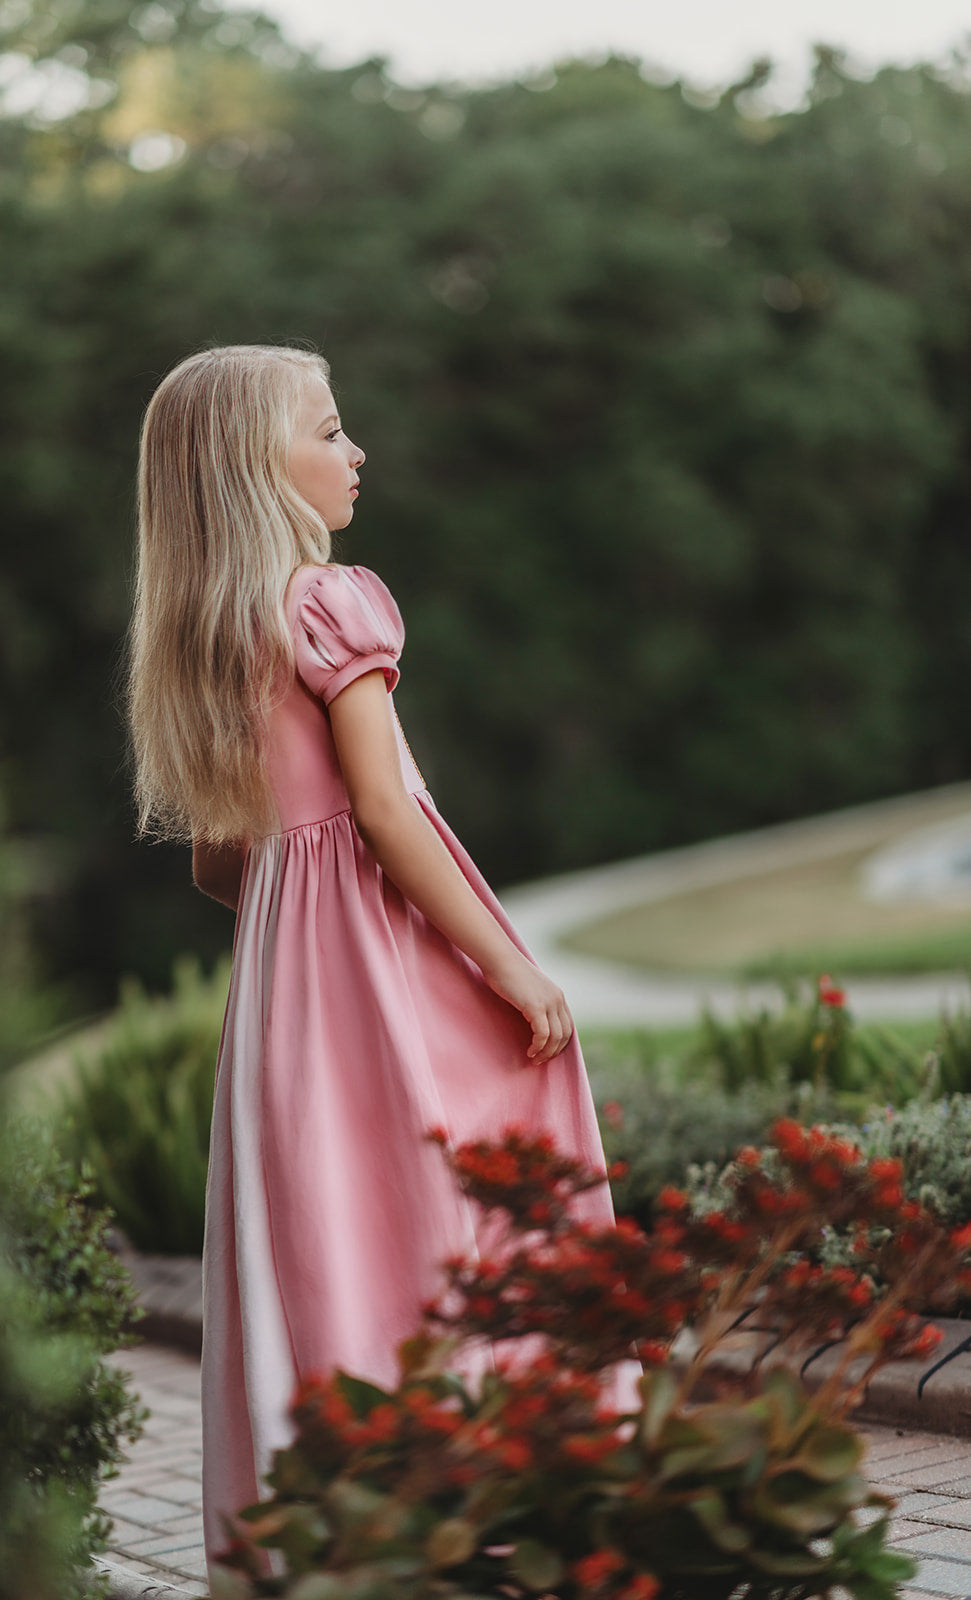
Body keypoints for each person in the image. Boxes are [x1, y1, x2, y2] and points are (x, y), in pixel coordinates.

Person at [128, 344, 638, 1579]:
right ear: (262, 464)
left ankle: (328, 1497)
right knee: (467, 1168)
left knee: (321, 1210)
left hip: (285, 981)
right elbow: (385, 811)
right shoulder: (329, 597)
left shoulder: (205, 632)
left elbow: (217, 862)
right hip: (378, 949)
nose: (356, 453)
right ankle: (510, 1462)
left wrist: (291, 927)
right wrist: (510, 966)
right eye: (332, 430)